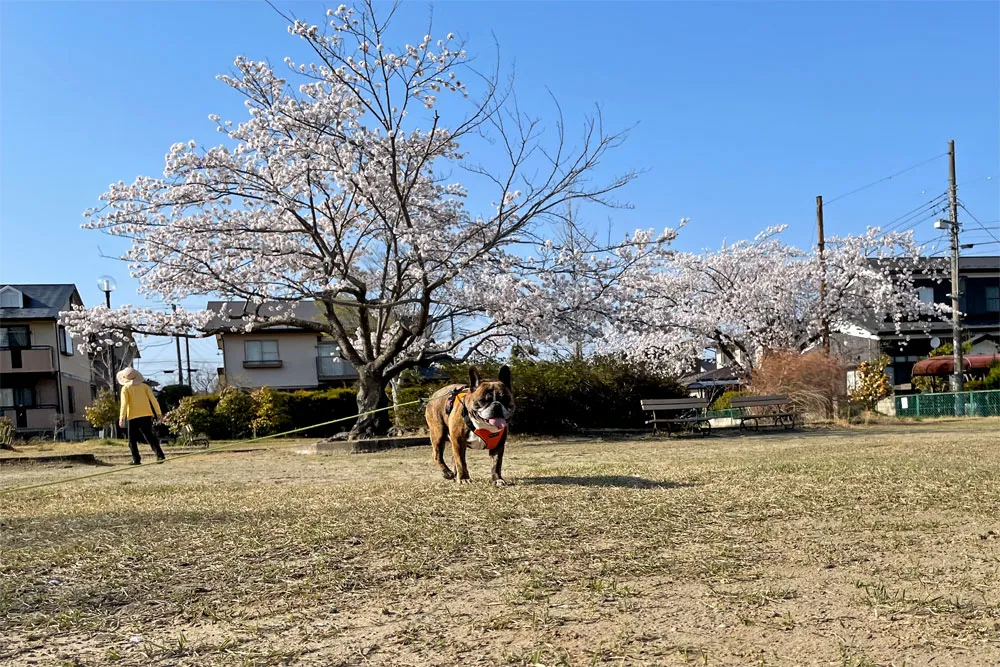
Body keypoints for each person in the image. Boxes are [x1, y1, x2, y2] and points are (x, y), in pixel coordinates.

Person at [117, 367, 166, 465]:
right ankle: (160, 455)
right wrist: (159, 414)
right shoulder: (145, 387)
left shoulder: (125, 388)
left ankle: (136, 459)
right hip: (146, 414)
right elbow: (153, 401)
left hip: (132, 416)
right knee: (150, 436)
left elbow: (124, 404)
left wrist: (122, 417)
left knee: (132, 439)